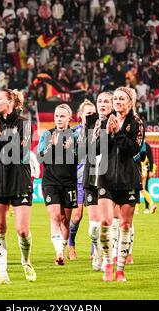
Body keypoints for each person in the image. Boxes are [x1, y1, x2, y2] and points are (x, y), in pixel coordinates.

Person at [0, 89, 36, 285]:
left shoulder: (24, 123)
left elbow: (20, 152)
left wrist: (2, 136)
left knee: (22, 230)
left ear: (10, 102)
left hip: (19, 179)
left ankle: (26, 260)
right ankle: (2, 273)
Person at [97, 87, 144, 282]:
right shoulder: (104, 121)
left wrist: (117, 134)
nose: (117, 101)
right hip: (106, 178)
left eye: (121, 99)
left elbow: (134, 149)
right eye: (115, 98)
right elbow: (97, 149)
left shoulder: (137, 123)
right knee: (106, 222)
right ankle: (108, 262)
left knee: (125, 224)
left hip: (128, 180)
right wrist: (107, 133)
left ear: (130, 102)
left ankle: (120, 269)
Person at [38, 104, 78, 265]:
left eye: (62, 116)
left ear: (69, 118)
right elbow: (41, 158)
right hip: (51, 182)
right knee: (55, 217)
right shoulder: (47, 135)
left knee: (65, 220)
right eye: (56, 116)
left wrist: (71, 151)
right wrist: (52, 146)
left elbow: (79, 160)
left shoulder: (75, 136)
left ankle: (63, 246)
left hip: (69, 183)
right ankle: (59, 252)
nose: (59, 119)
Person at [84, 92, 113, 271]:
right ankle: (97, 251)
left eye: (106, 101)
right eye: (100, 101)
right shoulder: (90, 121)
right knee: (94, 226)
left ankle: (106, 257)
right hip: (91, 175)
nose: (102, 104)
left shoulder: (116, 122)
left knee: (106, 222)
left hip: (108, 177)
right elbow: (87, 150)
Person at [68, 99, 96, 261]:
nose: (91, 116)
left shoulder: (100, 131)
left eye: (93, 113)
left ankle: (95, 251)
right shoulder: (74, 133)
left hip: (95, 179)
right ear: (80, 115)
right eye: (87, 114)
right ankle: (71, 245)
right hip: (78, 180)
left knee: (95, 218)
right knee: (77, 215)